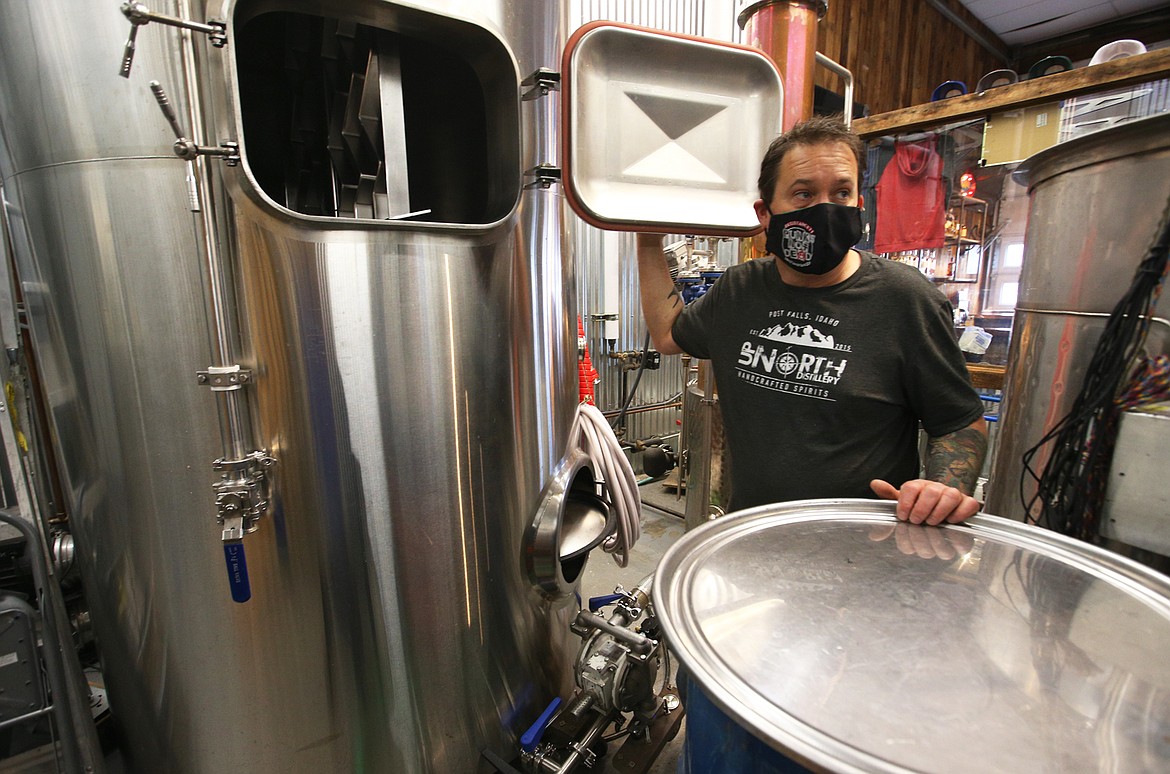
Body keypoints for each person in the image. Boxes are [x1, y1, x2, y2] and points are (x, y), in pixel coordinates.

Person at [636, 115, 987, 525]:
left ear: (859, 202)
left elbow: (960, 423)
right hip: (754, 533)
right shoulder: (739, 291)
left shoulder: (907, 300)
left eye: (841, 192)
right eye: (803, 194)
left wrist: (944, 486)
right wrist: (647, 240)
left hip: (865, 546)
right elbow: (667, 334)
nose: (825, 209)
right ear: (765, 214)